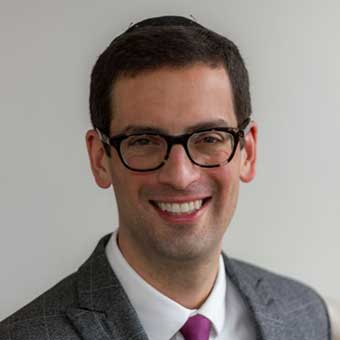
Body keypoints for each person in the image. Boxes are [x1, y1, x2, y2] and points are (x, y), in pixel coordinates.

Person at [0, 15, 332, 340]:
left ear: (248, 152)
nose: (180, 176)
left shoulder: (307, 316)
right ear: (100, 158)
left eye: (209, 138)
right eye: (143, 141)